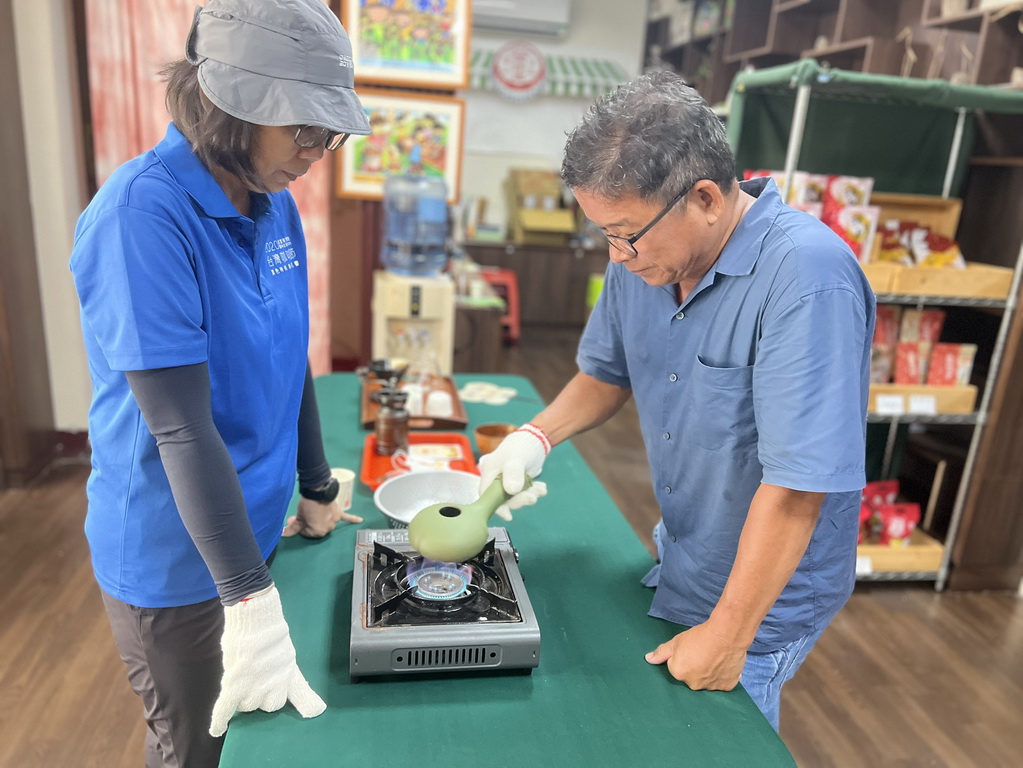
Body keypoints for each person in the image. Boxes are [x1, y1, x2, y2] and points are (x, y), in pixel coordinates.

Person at [478, 71, 875, 732]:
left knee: (717, 740)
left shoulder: (807, 278)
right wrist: (534, 437)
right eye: (602, 233)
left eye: (626, 233)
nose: (616, 253)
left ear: (705, 198)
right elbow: (607, 373)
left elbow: (798, 484)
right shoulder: (643, 257)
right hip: (687, 548)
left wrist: (727, 635)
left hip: (763, 594)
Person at [68, 1, 370, 765]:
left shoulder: (273, 206)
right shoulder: (142, 215)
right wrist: (246, 595)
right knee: (197, 749)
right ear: (227, 101)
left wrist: (314, 485)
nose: (318, 152)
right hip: (175, 556)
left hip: (255, 525)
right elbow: (178, 425)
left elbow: (290, 352)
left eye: (327, 132)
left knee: (253, 742)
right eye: (304, 128)